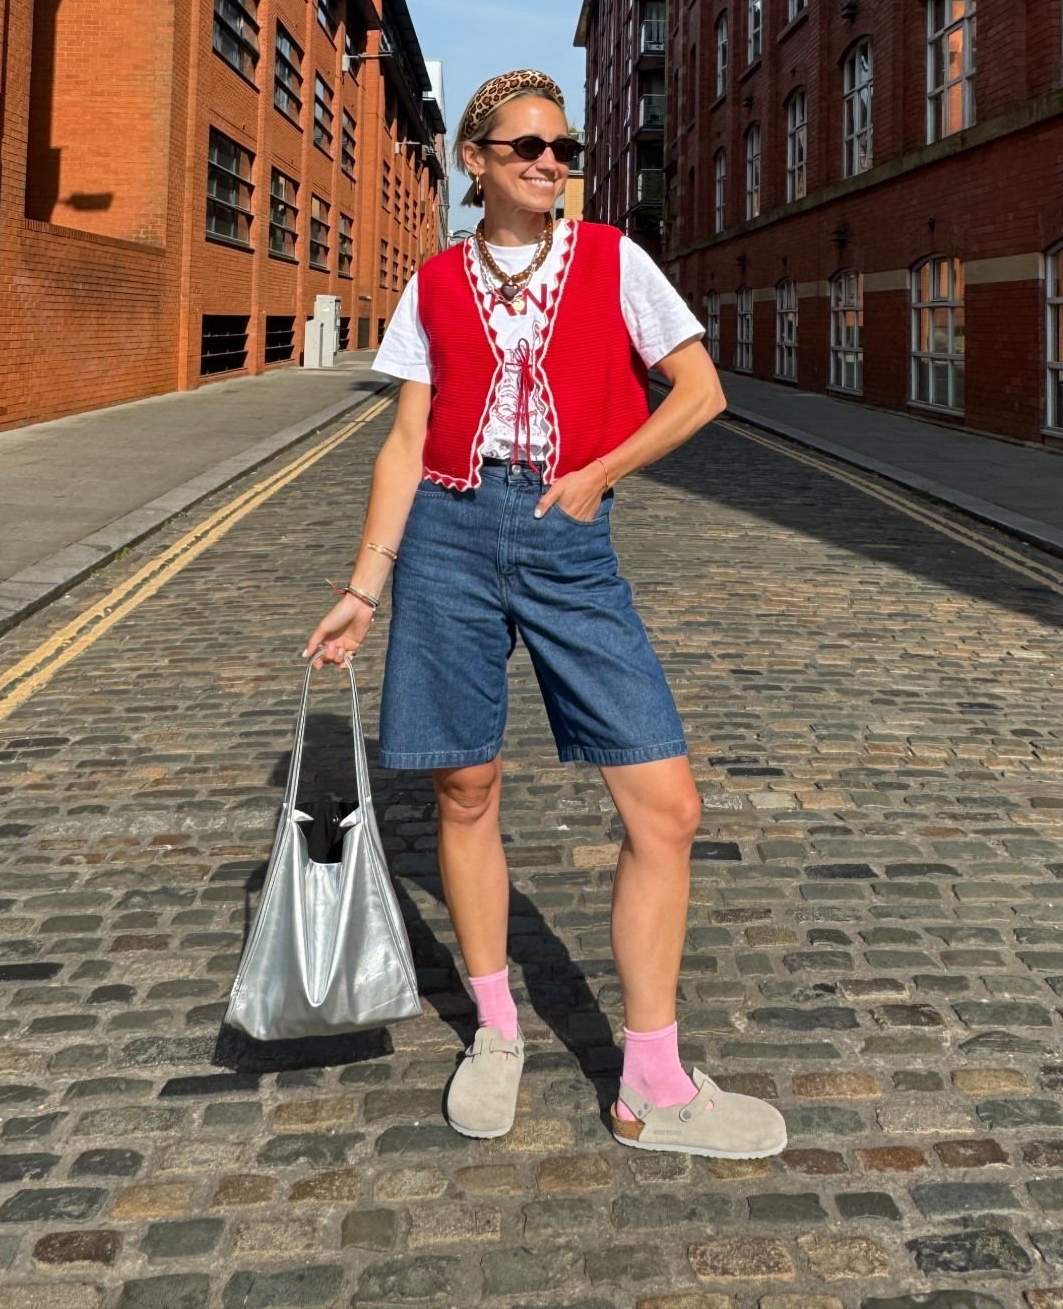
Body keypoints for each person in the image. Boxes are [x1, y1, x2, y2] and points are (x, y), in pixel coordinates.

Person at [305, 68, 785, 1159]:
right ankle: (498, 1028)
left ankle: (652, 1078)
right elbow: (404, 442)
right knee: (466, 785)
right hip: (448, 535)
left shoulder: (617, 259)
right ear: (474, 161)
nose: (548, 162)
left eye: (562, 147)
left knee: (667, 805)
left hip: (572, 538)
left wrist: (600, 472)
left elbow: (701, 391)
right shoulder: (432, 285)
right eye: (524, 146)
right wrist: (362, 585)